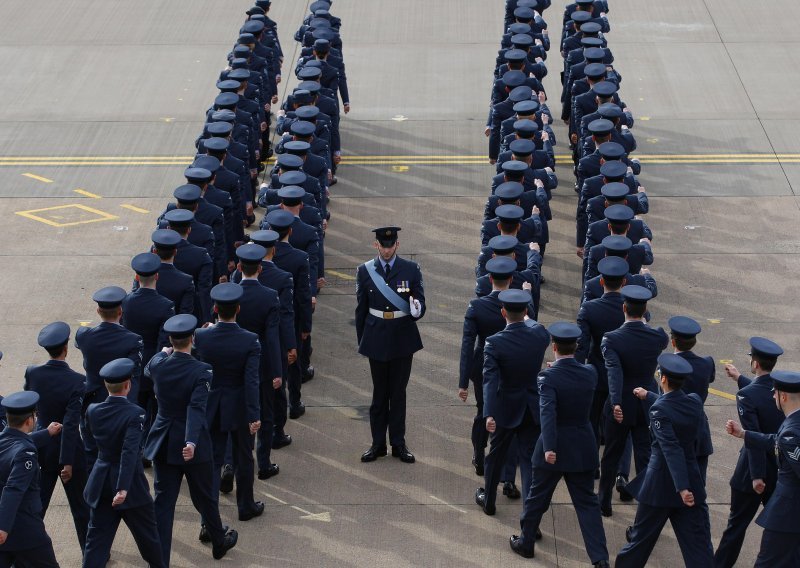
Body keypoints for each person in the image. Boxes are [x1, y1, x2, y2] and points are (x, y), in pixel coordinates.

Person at [510, 322, 609, 567]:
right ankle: (600, 558)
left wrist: (550, 447)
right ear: (576, 347)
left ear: (553, 347)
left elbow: (548, 413)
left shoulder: (547, 377)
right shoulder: (590, 373)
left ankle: (527, 541)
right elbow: (575, 381)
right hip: (583, 447)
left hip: (553, 447)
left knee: (537, 498)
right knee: (587, 505)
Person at [143, 315, 238, 563]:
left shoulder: (158, 364)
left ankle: (159, 559)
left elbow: (148, 368)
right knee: (205, 497)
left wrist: (163, 352)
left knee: (163, 504)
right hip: (192, 446)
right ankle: (218, 541)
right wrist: (191, 441)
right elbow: (196, 407)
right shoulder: (201, 370)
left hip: (164, 441)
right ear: (192, 339)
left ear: (171, 340)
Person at [616, 354, 714, 567]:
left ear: (663, 379)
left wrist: (682, 487)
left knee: (639, 543)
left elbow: (671, 448)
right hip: (691, 480)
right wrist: (649, 395)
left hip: (661, 486)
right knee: (698, 545)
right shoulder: (695, 402)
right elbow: (675, 406)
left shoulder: (659, 410)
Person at [82, 359, 165, 568]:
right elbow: (129, 452)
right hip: (131, 487)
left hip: (101, 482)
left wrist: (95, 472)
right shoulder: (135, 413)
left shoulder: (93, 410)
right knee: (149, 537)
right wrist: (123, 488)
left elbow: (90, 445)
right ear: (128, 385)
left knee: (96, 542)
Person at [475, 289, 550, 516]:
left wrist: (488, 413)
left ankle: (489, 501)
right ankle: (529, 516)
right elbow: (534, 325)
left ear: (502, 312)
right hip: (531, 408)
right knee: (528, 463)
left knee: (495, 457)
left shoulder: (494, 343)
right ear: (526, 311)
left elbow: (489, 380)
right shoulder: (540, 334)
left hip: (505, 408)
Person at [194, 283, 264, 522]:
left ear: (214, 308)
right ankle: (245, 506)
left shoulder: (202, 336)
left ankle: (208, 519)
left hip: (212, 405)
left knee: (212, 463)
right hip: (240, 406)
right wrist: (255, 415)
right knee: (244, 457)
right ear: (238, 309)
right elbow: (251, 381)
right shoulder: (250, 341)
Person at [355, 227, 425, 464]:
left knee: (398, 394)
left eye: (390, 245)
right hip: (376, 339)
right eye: (383, 246)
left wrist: (418, 309)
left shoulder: (411, 269)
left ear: (397, 245)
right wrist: (362, 341)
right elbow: (361, 310)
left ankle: (398, 443)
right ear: (376, 245)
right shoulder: (365, 271)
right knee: (379, 395)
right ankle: (377, 444)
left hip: (402, 338)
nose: (387, 250)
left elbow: (420, 301)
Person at [598, 285, 668, 517]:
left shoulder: (612, 339)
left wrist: (616, 401)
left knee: (611, 455)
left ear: (624, 308)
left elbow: (614, 372)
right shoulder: (657, 336)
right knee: (646, 457)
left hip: (622, 405)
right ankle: (645, 507)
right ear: (645, 309)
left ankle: (604, 501)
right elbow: (662, 339)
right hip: (646, 402)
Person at [714, 337, 785, 567]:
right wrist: (739, 378)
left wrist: (756, 476)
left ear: (755, 364)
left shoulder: (746, 396)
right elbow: (763, 392)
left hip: (752, 474)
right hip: (778, 469)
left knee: (736, 527)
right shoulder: (783, 389)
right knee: (780, 528)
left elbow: (752, 435)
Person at [24, 322, 90, 551]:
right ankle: (90, 551)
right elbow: (71, 424)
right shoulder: (77, 380)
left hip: (42, 447)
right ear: (66, 348)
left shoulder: (33, 373)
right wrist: (68, 461)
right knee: (81, 508)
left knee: (37, 505)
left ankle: (26, 549)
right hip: (69, 450)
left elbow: (29, 407)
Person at [726, 370, 800, 566]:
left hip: (787, 516)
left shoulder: (792, 431)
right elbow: (776, 440)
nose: (772, 395)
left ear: (783, 397)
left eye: (774, 393)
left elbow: (785, 442)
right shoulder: (793, 423)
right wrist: (744, 434)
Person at [458, 257, 518, 476]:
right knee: (508, 414)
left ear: (490, 278)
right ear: (511, 279)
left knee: (484, 410)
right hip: (511, 365)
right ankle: (504, 467)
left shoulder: (477, 306)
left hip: (482, 366)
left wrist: (463, 382)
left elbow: (467, 345)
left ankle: (479, 453)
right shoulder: (519, 304)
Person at [75, 286, 144, 467]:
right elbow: (134, 374)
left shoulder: (84, 336)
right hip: (120, 401)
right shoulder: (133, 340)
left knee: (92, 453)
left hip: (91, 402)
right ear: (121, 311)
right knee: (124, 454)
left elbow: (79, 339)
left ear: (98, 311)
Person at [0, 391, 62, 568]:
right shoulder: (25, 453)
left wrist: (46, 433)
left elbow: (15, 440)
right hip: (24, 529)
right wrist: (3, 527)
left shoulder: (6, 440)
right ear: (29, 421)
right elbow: (14, 489)